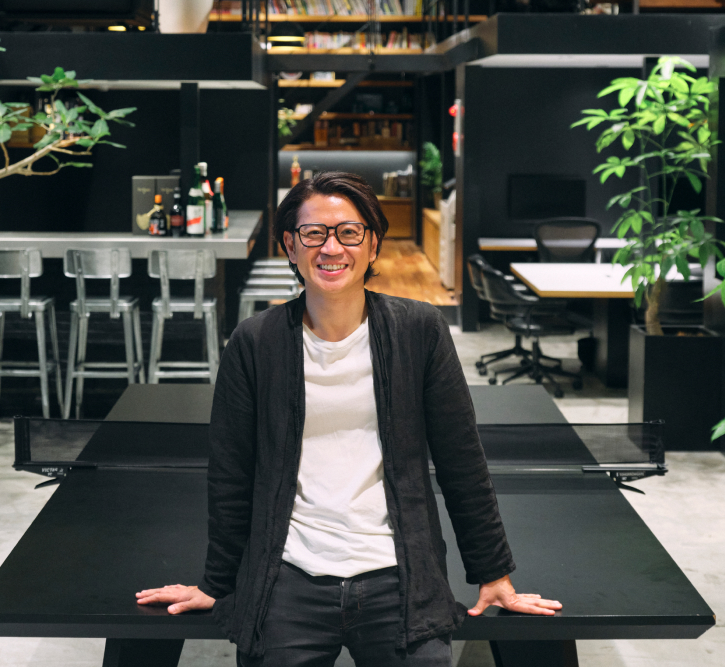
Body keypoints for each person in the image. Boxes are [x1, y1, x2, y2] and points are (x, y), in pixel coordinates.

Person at [136, 171, 560, 666]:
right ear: (290, 246)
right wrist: (218, 583)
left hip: (400, 574)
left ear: (373, 244)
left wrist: (493, 572)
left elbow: (461, 460)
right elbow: (231, 475)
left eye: (349, 232)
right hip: (286, 577)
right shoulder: (254, 342)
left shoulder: (420, 331)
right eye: (313, 233)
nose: (331, 248)